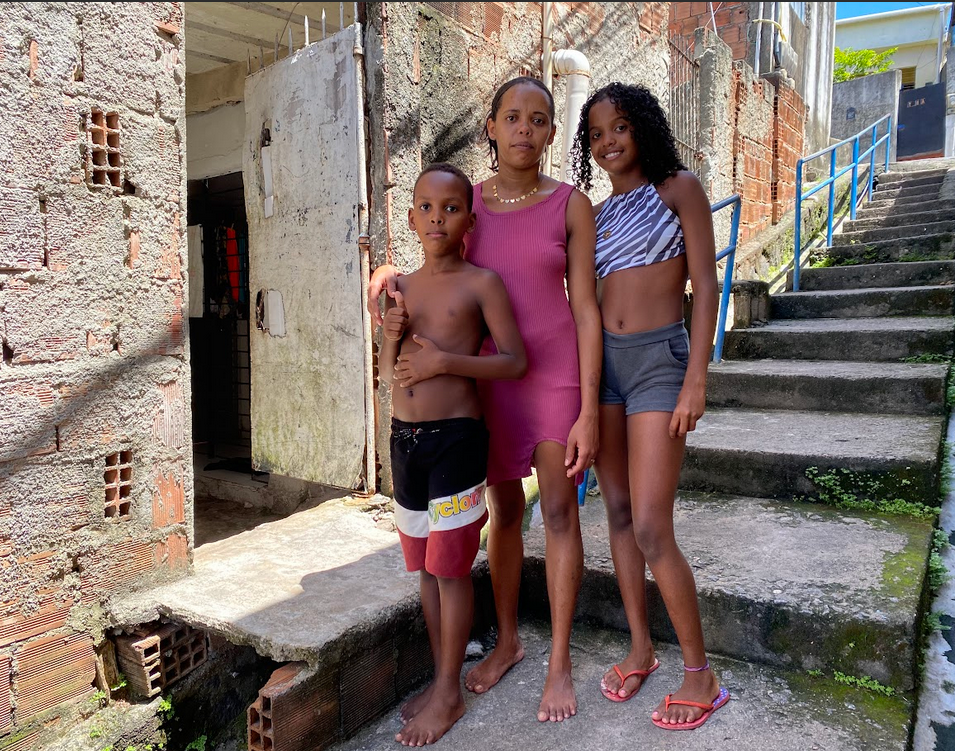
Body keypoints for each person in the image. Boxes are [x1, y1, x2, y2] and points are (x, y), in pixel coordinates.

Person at [369, 77, 602, 723]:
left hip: (552, 370)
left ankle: (558, 661)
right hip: (485, 379)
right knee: (501, 510)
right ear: (491, 129)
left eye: (538, 118)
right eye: (511, 117)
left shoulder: (569, 204)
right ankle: (505, 640)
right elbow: (431, 263)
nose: (524, 128)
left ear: (552, 132)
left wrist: (586, 405)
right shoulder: (464, 202)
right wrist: (386, 280)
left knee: (557, 509)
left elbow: (584, 307)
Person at [570, 82, 728, 730]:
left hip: (660, 363)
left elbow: (707, 283)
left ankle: (700, 672)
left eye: (619, 128)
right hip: (604, 369)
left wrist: (697, 377)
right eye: (596, 134)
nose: (608, 142)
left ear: (644, 129)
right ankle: (640, 645)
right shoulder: (595, 216)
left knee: (651, 526)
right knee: (616, 511)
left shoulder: (678, 189)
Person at [380, 162, 527, 746]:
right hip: (405, 440)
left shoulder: (480, 283)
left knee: (450, 568)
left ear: (469, 217)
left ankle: (449, 692)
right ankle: (443, 679)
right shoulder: (403, 289)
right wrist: (390, 335)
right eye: (425, 207)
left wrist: (447, 362)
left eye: (450, 208)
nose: (436, 218)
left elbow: (515, 360)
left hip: (457, 441)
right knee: (423, 568)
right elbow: (390, 376)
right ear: (411, 215)